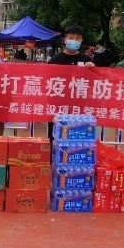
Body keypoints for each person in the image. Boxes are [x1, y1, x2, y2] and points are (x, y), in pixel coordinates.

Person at [47, 25, 95, 156]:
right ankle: (54, 161)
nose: (74, 41)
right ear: (65, 39)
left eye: (77, 39)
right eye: (71, 38)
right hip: (58, 108)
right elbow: (47, 82)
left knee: (77, 138)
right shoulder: (55, 60)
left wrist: (92, 69)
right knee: (56, 138)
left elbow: (94, 83)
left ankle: (76, 160)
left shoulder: (86, 60)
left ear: (81, 41)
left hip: (79, 109)